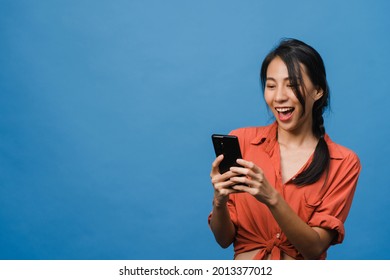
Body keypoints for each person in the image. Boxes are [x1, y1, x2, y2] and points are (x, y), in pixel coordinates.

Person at [208, 38, 361, 260]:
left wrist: (271, 198)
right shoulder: (242, 140)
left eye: (292, 84)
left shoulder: (343, 162)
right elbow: (223, 240)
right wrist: (219, 200)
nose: (279, 96)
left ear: (317, 90)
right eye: (271, 85)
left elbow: (314, 248)